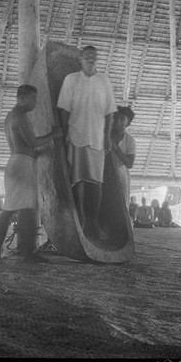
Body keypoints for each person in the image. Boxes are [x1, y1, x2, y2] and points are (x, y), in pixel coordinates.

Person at [0, 84, 63, 262]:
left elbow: (23, 145)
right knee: (26, 209)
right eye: (33, 99)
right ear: (22, 98)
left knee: (8, 209)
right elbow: (32, 143)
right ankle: (27, 253)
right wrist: (53, 134)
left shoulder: (9, 116)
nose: (35, 103)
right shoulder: (22, 116)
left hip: (14, 163)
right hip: (23, 165)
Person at [57, 45, 117, 240]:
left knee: (95, 183)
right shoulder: (71, 80)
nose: (91, 60)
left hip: (97, 138)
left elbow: (109, 112)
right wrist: (64, 136)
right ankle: (80, 220)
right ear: (80, 59)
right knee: (78, 181)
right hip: (75, 134)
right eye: (87, 57)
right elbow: (64, 110)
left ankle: (93, 223)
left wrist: (107, 136)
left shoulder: (104, 81)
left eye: (94, 57)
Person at [111, 107, 136, 208]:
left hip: (121, 175)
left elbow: (129, 164)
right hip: (105, 172)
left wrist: (116, 148)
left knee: (121, 204)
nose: (118, 121)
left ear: (127, 123)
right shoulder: (106, 135)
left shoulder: (130, 140)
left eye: (122, 119)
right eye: (116, 118)